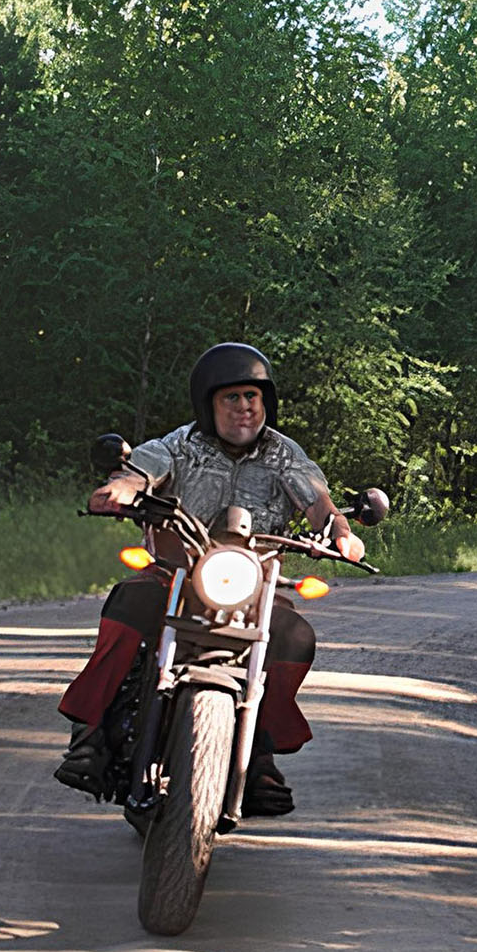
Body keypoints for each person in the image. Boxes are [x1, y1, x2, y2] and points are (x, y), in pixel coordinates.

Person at [54, 342, 364, 816]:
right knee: (129, 602)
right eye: (232, 398)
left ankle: (258, 756)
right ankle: (90, 735)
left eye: (252, 398)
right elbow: (140, 471)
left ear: (266, 402)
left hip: (250, 584)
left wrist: (342, 533)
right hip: (176, 575)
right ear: (208, 404)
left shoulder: (284, 455)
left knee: (294, 633)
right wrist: (118, 490)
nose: (244, 408)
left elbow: (318, 499)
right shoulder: (179, 445)